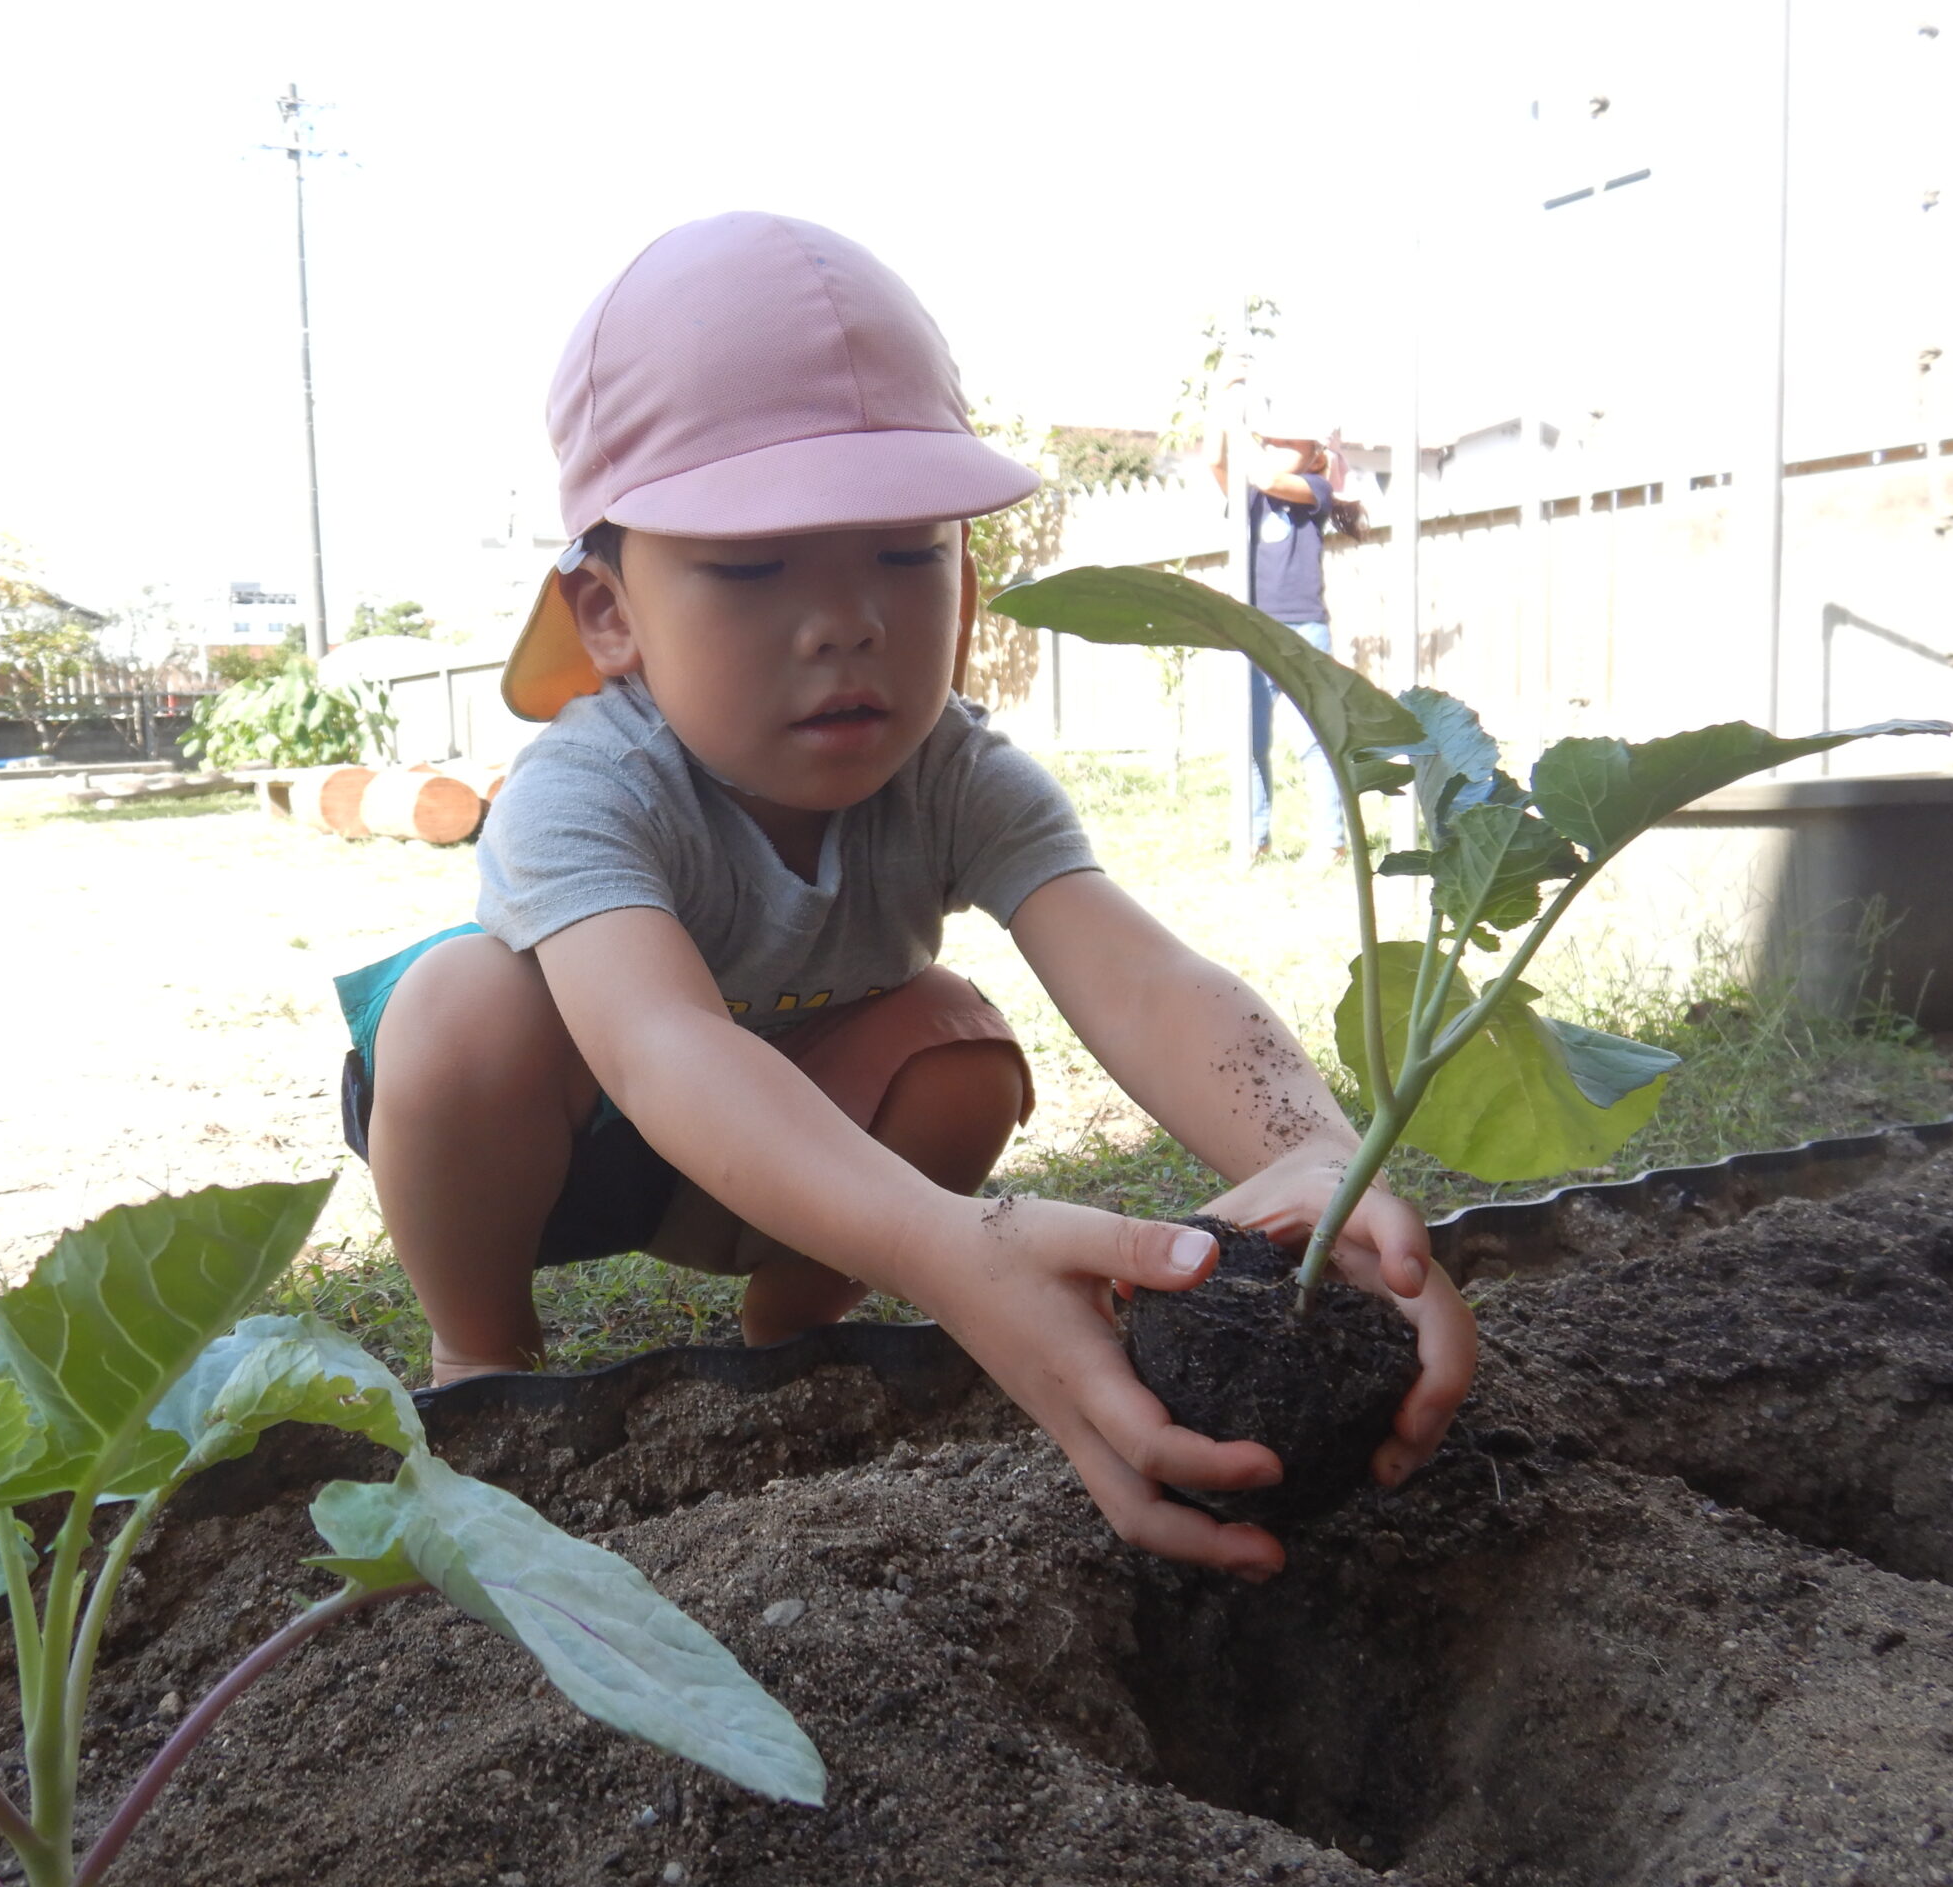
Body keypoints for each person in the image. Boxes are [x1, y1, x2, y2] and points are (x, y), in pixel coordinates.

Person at [335, 214, 1471, 1579]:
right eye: (752, 566)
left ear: (968, 581)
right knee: (462, 1008)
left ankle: (801, 1327)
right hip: (555, 1144)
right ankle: (483, 1357)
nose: (846, 621)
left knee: (958, 1048)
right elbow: (660, 1047)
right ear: (608, 614)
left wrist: (1308, 1154)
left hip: (783, 1155)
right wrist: (952, 1244)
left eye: (904, 554)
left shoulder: (954, 776)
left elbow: (1145, 975)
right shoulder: (589, 785)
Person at [1209, 385, 1360, 865]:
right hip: (1250, 630)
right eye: (1271, 441)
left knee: (1313, 740)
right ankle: (1255, 839)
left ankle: (1331, 842)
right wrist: (1222, 399)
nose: (1275, 448)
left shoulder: (1315, 492)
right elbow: (1215, 459)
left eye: (1288, 442)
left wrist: (1244, 429)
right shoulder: (1249, 495)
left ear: (1315, 455)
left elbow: (1266, 475)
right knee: (1252, 741)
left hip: (1301, 631)